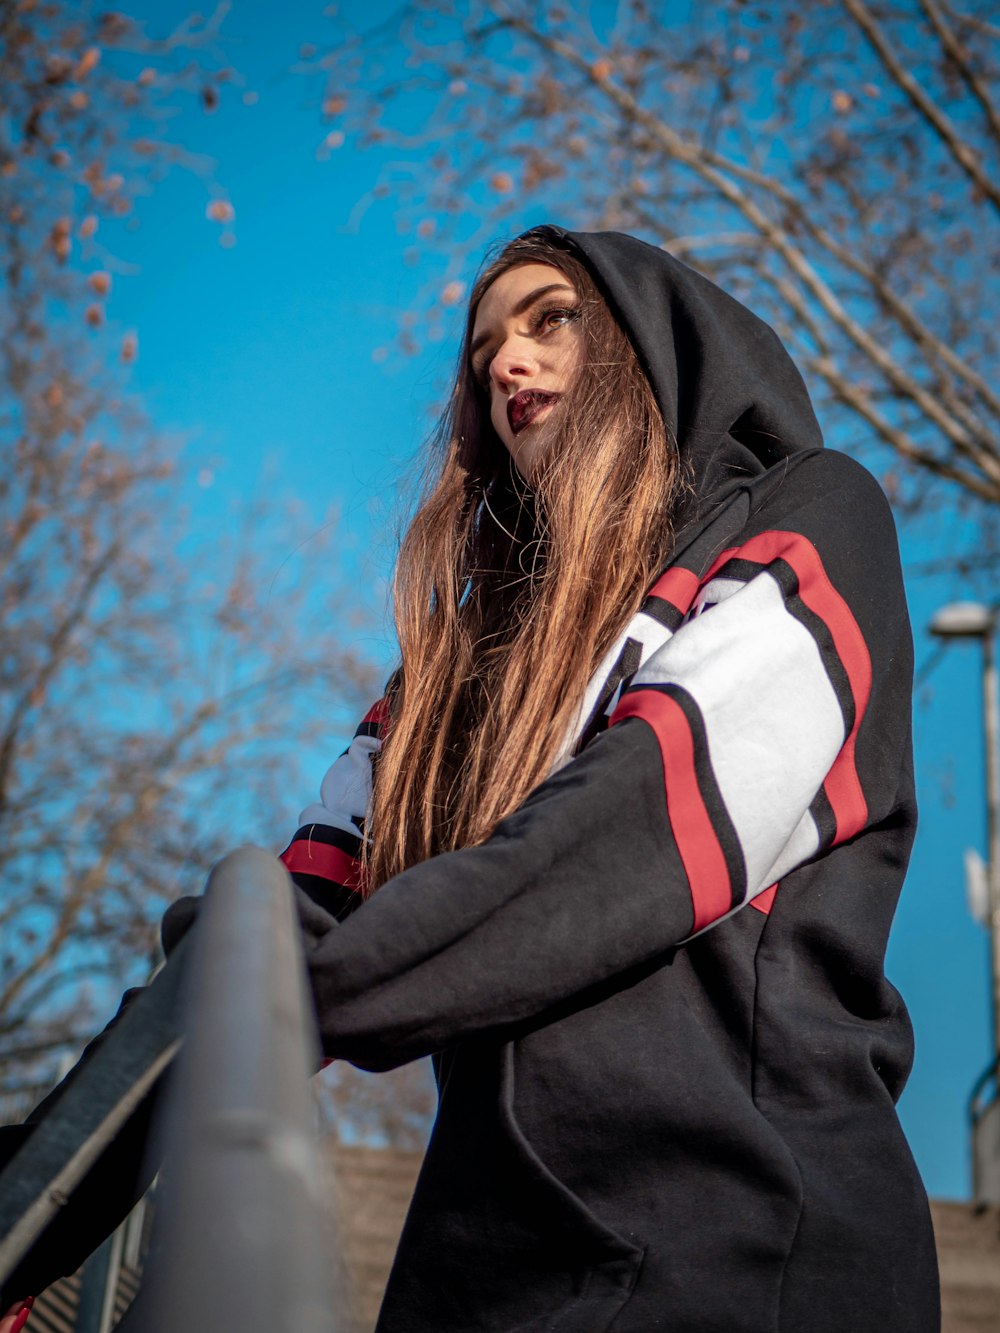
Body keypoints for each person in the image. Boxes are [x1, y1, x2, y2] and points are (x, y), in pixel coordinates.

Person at [0, 226, 940, 1332]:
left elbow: (633, 832)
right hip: (480, 1269)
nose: (504, 363)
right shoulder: (450, 673)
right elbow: (274, 929)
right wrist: (35, 1207)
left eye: (550, 320)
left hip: (740, 1239)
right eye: (485, 346)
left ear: (653, 342)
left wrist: (307, 996)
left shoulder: (808, 517)